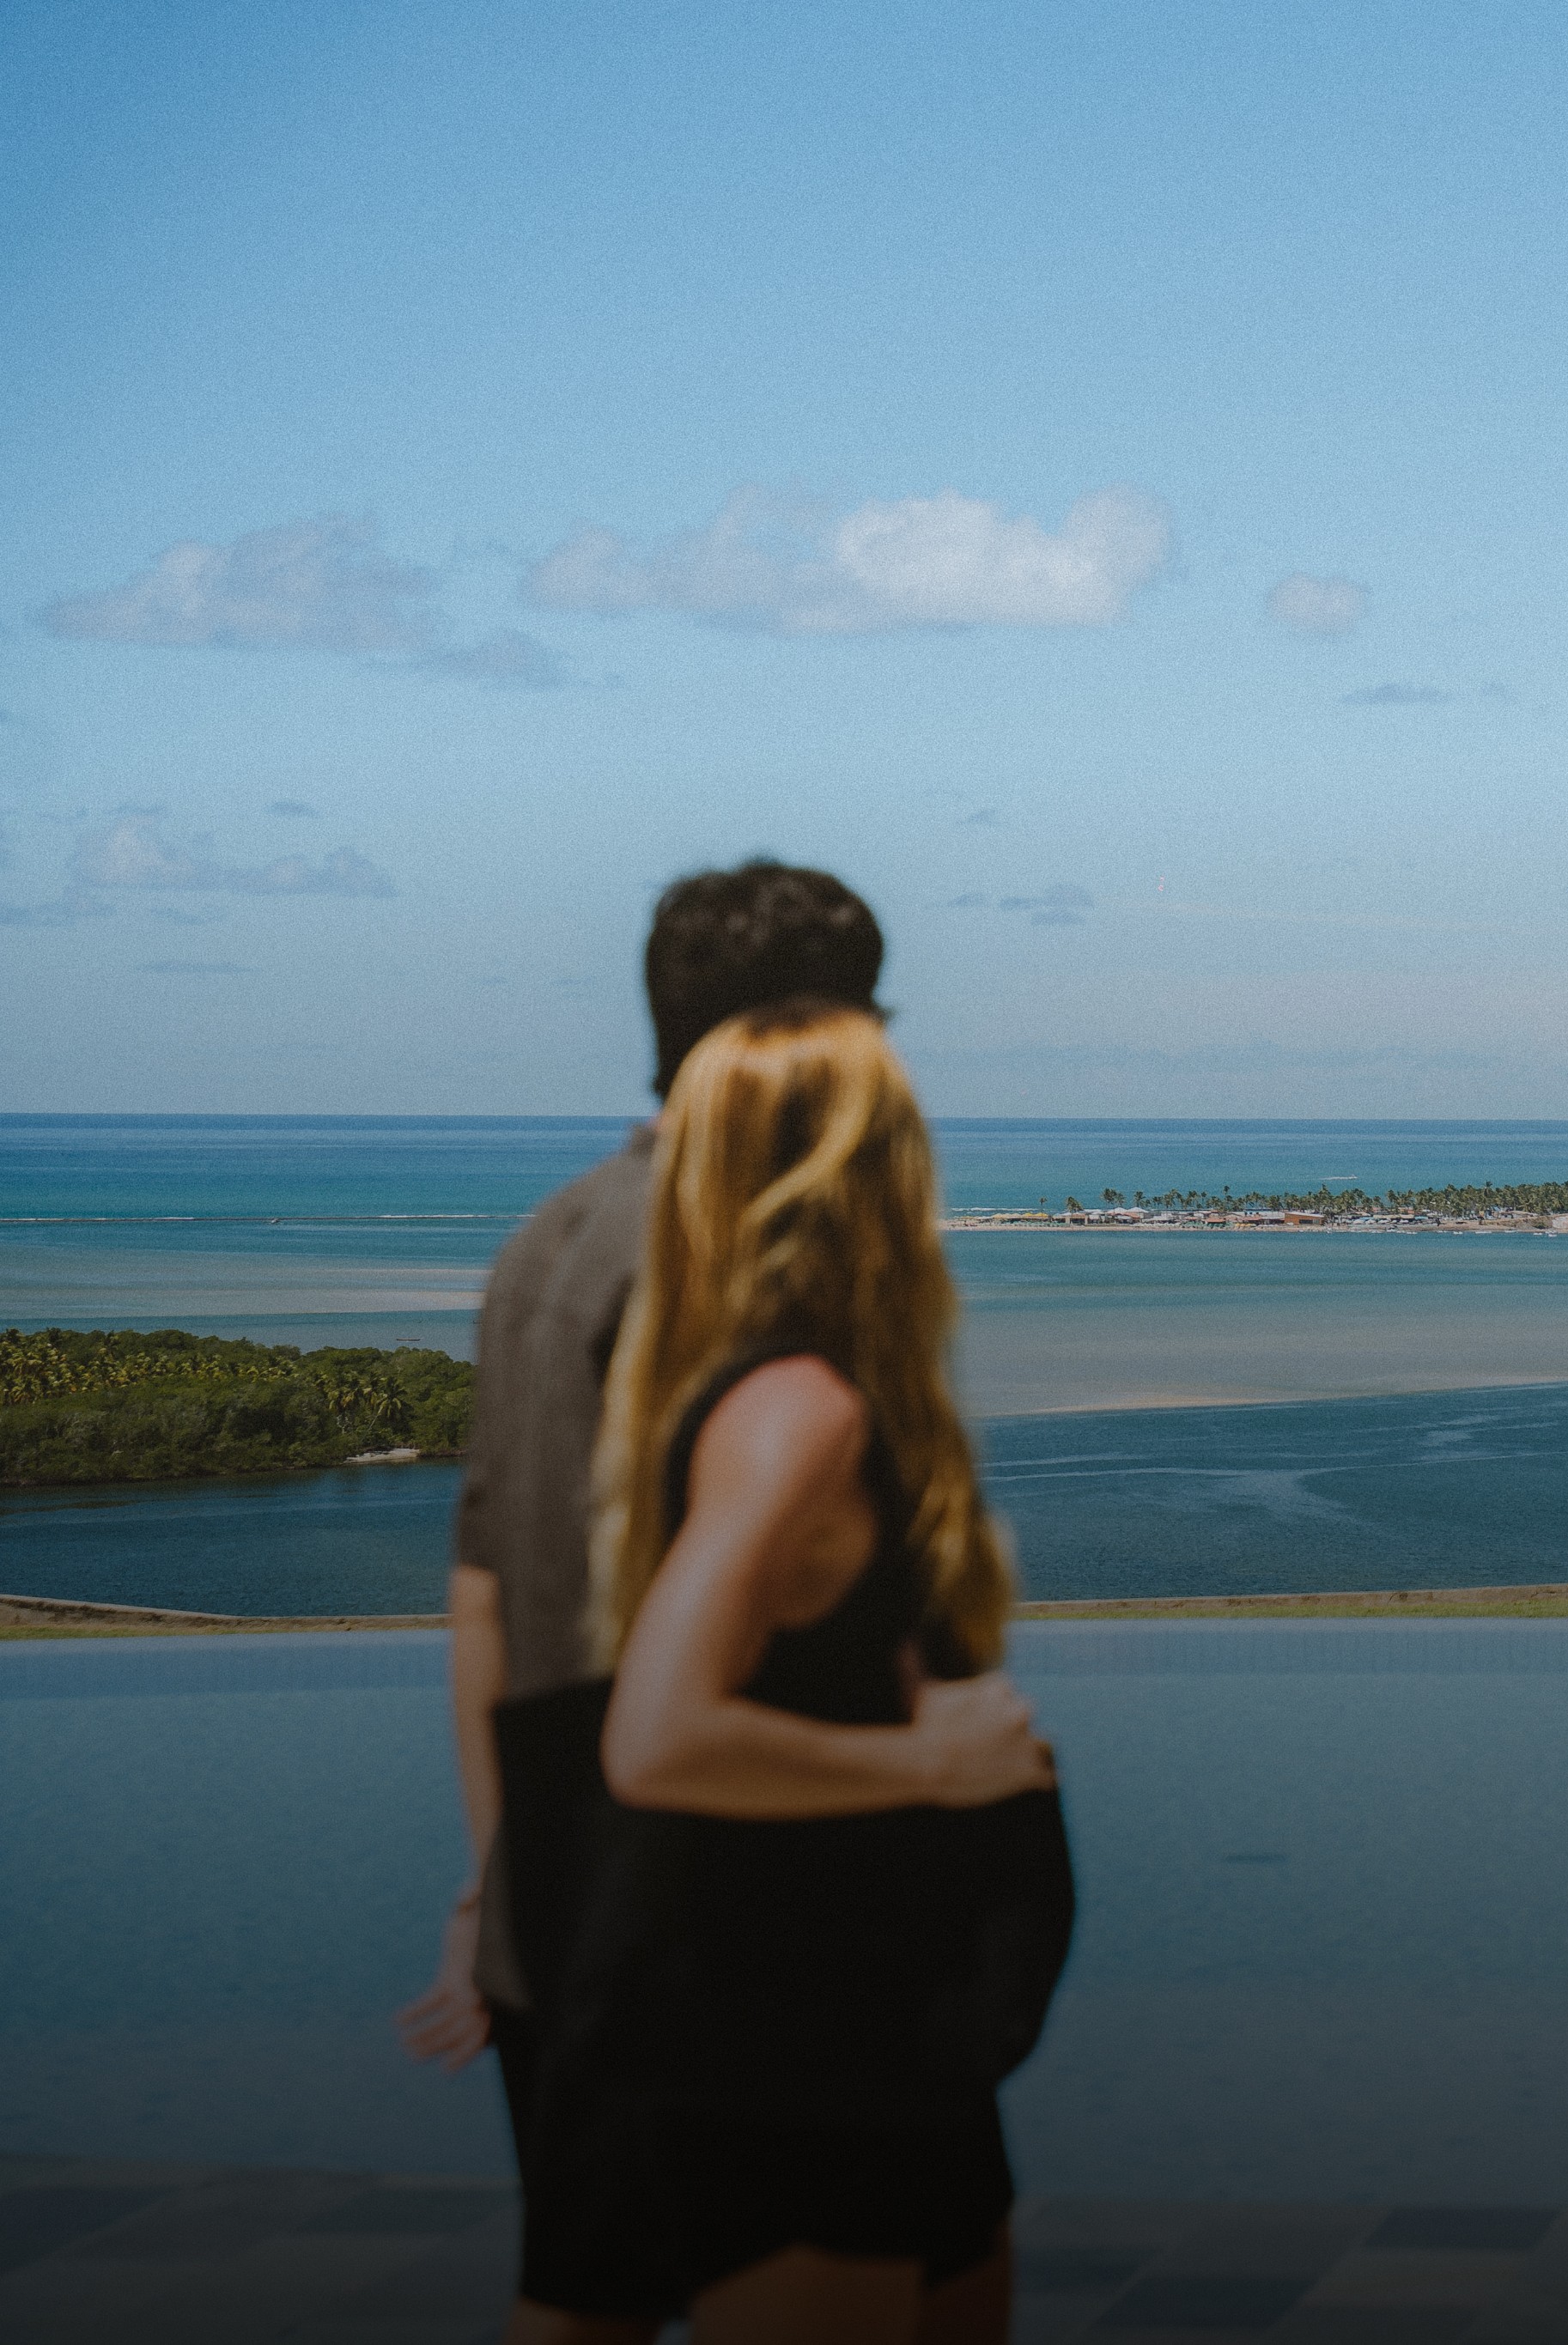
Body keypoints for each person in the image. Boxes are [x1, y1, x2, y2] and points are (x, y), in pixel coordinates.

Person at [398, 862, 1031, 2341]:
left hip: (579, 1894)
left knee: (596, 2291)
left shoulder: (542, 1247)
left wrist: (504, 1884)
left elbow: (487, 1598)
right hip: (746, 1920)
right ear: (834, 1037)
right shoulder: (732, 1276)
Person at [538, 998, 1062, 2342]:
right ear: (868, 1171)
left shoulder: (800, 1396)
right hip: (794, 2038)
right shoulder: (797, 1417)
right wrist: (932, 1760)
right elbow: (657, 1737)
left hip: (878, 2022)